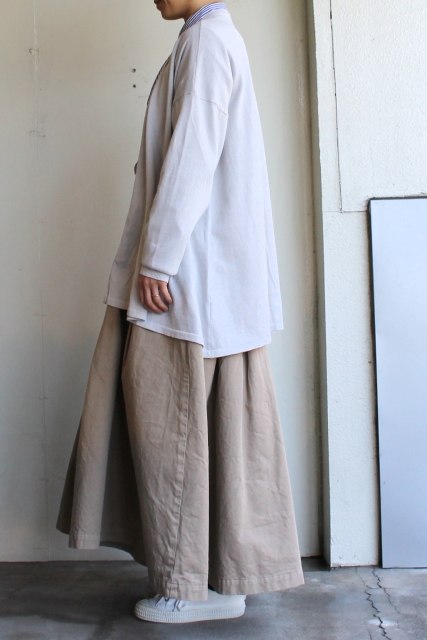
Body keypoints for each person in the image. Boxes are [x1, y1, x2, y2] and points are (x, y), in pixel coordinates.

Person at [57, 0, 304, 624]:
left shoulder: (207, 43)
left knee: (172, 430)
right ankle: (221, 580)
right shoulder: (210, 39)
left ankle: (188, 588)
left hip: (191, 281)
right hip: (210, 280)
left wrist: (158, 259)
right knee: (216, 432)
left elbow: (193, 153)